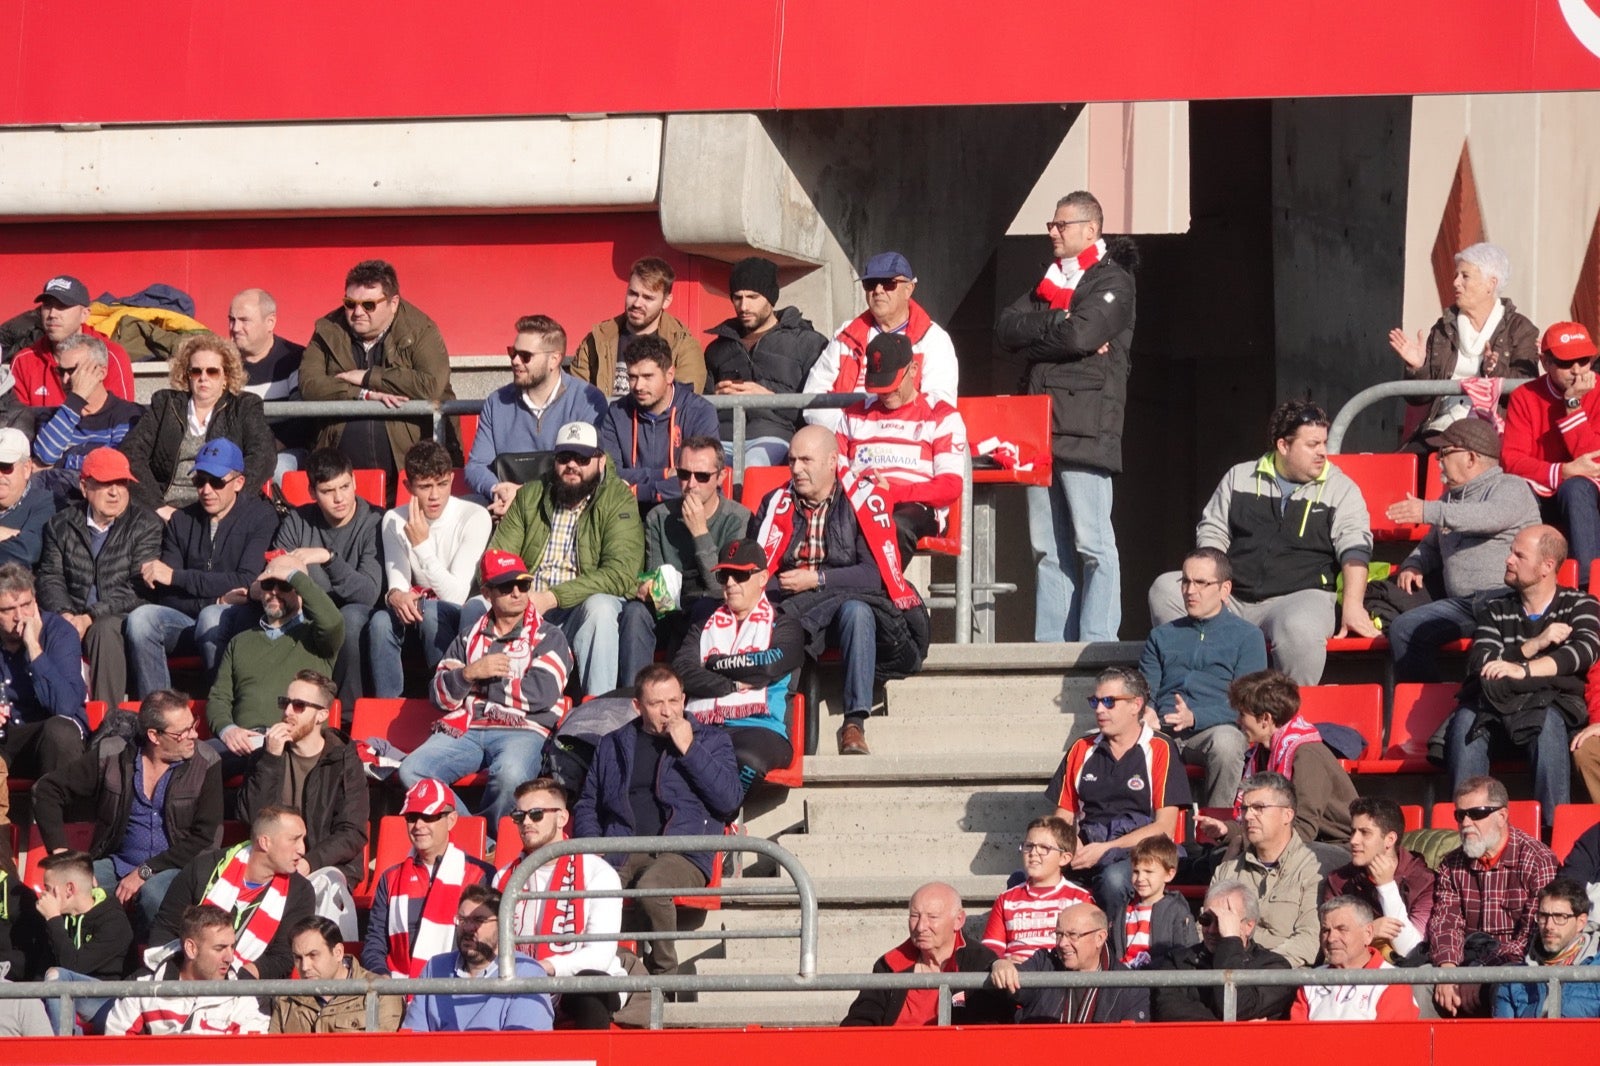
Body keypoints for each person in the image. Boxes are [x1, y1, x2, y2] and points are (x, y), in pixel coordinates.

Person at [1148, 399, 1378, 684]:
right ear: (1283, 446)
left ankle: (1288, 716)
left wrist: (1354, 605)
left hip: (1298, 597)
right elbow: (1213, 533)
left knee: (1298, 627)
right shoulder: (1239, 476)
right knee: (1165, 589)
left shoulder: (1341, 488)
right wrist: (1213, 584)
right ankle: (1196, 688)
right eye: (1312, 445)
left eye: (1324, 443)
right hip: (1233, 596)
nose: (1323, 452)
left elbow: (1355, 549)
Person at [997, 191, 1137, 643]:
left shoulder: (1112, 279)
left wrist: (1049, 338)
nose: (1052, 232)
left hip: (1086, 428)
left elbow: (1082, 334)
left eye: (1061, 224)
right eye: (1051, 225)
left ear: (1090, 230)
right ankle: (1050, 645)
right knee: (1045, 548)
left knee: (1093, 544)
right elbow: (1005, 328)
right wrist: (1059, 322)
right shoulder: (1050, 284)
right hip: (1040, 430)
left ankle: (1097, 641)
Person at [750, 424, 930, 756]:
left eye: (806, 460)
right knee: (777, 619)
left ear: (833, 460)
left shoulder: (863, 502)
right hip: (796, 605)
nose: (796, 469)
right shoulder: (774, 503)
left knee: (857, 612)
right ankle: (772, 722)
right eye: (791, 460)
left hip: (848, 602)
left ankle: (854, 724)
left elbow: (873, 575)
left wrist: (816, 579)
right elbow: (758, 571)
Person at [572, 665, 741, 975]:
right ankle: (602, 971)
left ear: (684, 700)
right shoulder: (613, 744)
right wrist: (591, 849)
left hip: (683, 851)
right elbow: (588, 803)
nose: (668, 712)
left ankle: (664, 974)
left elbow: (729, 801)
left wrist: (690, 749)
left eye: (674, 702)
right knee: (584, 893)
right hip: (620, 847)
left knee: (652, 887)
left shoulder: (711, 740)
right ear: (638, 706)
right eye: (657, 704)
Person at [400, 549, 575, 822]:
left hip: (524, 729)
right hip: (467, 728)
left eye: (524, 584)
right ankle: (474, 835)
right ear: (487, 592)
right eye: (507, 586)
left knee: (511, 776)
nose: (517, 592)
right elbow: (439, 696)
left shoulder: (549, 636)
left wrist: (478, 682)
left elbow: (541, 693)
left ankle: (492, 841)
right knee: (413, 770)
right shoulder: (468, 637)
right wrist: (469, 674)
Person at [1444, 525, 1599, 825]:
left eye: (1519, 555)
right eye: (1510, 552)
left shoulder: (1580, 604)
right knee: (1465, 721)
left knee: (1547, 720)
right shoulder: (1496, 610)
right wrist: (1533, 647)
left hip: (1555, 712)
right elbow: (1481, 663)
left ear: (1546, 566)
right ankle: (1465, 828)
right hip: (1496, 711)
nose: (1508, 560)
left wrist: (1518, 669)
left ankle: (1555, 835)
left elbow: (1582, 653)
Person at [32, 690, 221, 933]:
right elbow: (46, 790)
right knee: (68, 888)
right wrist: (61, 855)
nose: (194, 735)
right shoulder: (112, 756)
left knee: (154, 895)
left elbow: (204, 837)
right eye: (182, 732)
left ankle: (158, 965)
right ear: (154, 735)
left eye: (192, 725)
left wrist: (145, 871)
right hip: (118, 862)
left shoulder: (207, 762)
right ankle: (67, 965)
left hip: (179, 867)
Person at [488, 421, 643, 697]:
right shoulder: (531, 494)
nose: (572, 465)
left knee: (601, 608)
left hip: (577, 609)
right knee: (475, 606)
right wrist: (516, 594)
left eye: (582, 458)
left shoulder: (618, 499)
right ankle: (474, 706)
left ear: (601, 460)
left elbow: (621, 574)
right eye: (564, 458)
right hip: (524, 603)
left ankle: (598, 710)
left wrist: (552, 597)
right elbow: (496, 559)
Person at [1382, 416, 1539, 681]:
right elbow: (1430, 545)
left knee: (1490, 655)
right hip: (1463, 604)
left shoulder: (1512, 487)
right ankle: (1429, 709)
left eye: (1444, 452)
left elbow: (1489, 516)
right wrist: (1414, 564)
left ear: (1471, 458)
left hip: (1506, 599)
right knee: (1404, 629)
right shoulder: (1448, 501)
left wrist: (1428, 510)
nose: (1437, 459)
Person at [124, 438, 276, 696]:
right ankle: (159, 711)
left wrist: (177, 577)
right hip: (188, 618)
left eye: (216, 482)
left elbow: (246, 580)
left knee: (211, 617)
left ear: (238, 482)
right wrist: (214, 598)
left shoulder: (261, 516)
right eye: (199, 481)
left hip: (240, 619)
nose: (206, 489)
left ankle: (222, 707)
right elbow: (167, 595)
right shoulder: (181, 520)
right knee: (141, 619)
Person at [298, 259, 455, 495]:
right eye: (350, 303)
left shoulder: (421, 330)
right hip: (338, 474)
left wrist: (368, 376)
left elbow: (431, 385)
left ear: (393, 303)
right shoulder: (327, 329)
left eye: (369, 305)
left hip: (407, 467)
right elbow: (309, 385)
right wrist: (363, 394)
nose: (357, 312)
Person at [245, 448, 383, 710]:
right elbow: (274, 573)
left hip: (357, 612)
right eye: (328, 491)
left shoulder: (374, 521)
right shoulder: (298, 520)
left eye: (344, 486)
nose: (339, 498)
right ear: (312, 493)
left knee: (349, 618)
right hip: (308, 608)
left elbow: (368, 594)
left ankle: (347, 715)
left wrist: (328, 558)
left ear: (354, 482)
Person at [1049, 667, 1190, 920]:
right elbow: (1062, 817)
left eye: (1109, 702)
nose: (1099, 710)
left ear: (1136, 704)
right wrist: (1073, 842)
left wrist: (1105, 849)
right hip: (1088, 844)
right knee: (1030, 874)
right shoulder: (1081, 748)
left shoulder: (1160, 748)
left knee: (1113, 880)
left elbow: (1165, 828)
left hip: (1142, 850)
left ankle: (1112, 954)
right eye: (1095, 701)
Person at [494, 777, 628, 1029]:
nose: (526, 823)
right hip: (520, 985)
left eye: (535, 814)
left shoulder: (596, 871)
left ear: (562, 818)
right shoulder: (504, 878)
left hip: (578, 987)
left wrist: (542, 968)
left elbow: (599, 956)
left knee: (590, 986)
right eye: (519, 816)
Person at [619, 436, 752, 686]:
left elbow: (721, 588)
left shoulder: (738, 519)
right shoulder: (659, 516)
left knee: (704, 606)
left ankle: (683, 691)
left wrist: (700, 532)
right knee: (635, 612)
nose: (691, 484)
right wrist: (650, 589)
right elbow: (660, 584)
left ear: (721, 477)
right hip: (670, 608)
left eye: (702, 476)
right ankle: (633, 697)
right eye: (683, 474)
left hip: (712, 611)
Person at [1138, 547, 1266, 806]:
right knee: (1100, 736)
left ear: (1225, 589)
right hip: (1161, 730)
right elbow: (1144, 688)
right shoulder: (1162, 636)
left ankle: (1216, 836)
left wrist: (1195, 717)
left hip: (1212, 731)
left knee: (1228, 743)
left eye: (1201, 583)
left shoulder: (1248, 637)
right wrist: (1146, 710)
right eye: (1185, 581)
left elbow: (1249, 704)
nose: (1190, 590)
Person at [674, 539, 803, 792]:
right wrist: (731, 684)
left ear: (763, 577)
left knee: (744, 762)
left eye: (740, 574)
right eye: (724, 575)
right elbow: (681, 674)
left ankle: (726, 816)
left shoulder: (785, 625)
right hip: (703, 724)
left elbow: (768, 665)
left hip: (761, 727)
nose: (730, 583)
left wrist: (713, 663)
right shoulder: (702, 626)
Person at [1193, 669, 1357, 869]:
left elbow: (1303, 829)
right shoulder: (1261, 754)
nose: (1238, 722)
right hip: (1290, 841)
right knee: (1208, 859)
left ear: (1265, 719)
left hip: (1333, 847)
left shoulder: (1306, 755)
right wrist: (1227, 830)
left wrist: (1242, 842)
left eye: (1242, 715)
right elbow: (1261, 818)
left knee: (1236, 861)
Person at [37, 447, 163, 703]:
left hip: (121, 615)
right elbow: (50, 577)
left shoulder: (146, 524)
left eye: (121, 483)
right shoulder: (59, 525)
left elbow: (138, 588)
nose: (115, 492)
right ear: (84, 487)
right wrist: (65, 614)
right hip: (71, 614)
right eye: (106, 484)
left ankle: (110, 725)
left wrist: (89, 616)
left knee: (102, 630)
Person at [369, 440, 492, 697]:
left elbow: (456, 595)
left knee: (432, 612)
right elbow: (398, 581)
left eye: (442, 484)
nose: (435, 495)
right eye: (425, 487)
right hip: (418, 608)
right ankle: (386, 706)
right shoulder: (394, 519)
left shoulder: (474, 516)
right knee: (380, 622)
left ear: (451, 479)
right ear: (408, 487)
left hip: (458, 612)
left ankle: (447, 693)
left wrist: (422, 545)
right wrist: (396, 595)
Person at [1389, 242, 1539, 451]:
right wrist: (1418, 368)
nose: (1455, 283)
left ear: (1491, 284)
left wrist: (1496, 372)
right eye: (1456, 276)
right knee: (1404, 463)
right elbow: (1417, 398)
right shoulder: (1443, 327)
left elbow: (1527, 387)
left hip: (1492, 431)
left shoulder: (1521, 329)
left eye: (1465, 276)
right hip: (1440, 428)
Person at [1429, 775, 1558, 1016]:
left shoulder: (1537, 860)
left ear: (1502, 816)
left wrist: (1482, 973)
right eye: (1460, 815)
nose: (1466, 822)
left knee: (1507, 988)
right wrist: (1446, 970)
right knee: (1419, 989)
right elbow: (1446, 922)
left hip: (1512, 966)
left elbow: (1531, 938)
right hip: (1461, 963)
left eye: (1476, 813)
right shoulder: (1451, 863)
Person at [206, 553, 346, 775]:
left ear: (302, 590)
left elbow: (332, 621)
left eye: (285, 584)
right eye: (268, 584)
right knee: (189, 761)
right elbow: (218, 698)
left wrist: (293, 575)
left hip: (296, 743)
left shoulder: (318, 639)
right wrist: (228, 730)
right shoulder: (240, 642)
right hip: (244, 744)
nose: (274, 591)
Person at [836, 332, 969, 562]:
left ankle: (874, 593)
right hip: (857, 500)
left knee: (895, 526)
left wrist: (892, 493)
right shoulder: (854, 413)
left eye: (892, 384)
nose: (885, 393)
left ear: (914, 370)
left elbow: (950, 486)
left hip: (913, 507)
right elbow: (834, 466)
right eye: (879, 385)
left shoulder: (941, 415)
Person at [149, 805, 316, 980]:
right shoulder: (205, 869)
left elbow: (282, 957)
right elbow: (166, 928)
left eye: (303, 840)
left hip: (247, 990)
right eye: (294, 839)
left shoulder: (301, 892)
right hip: (185, 977)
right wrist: (176, 977)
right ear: (265, 842)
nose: (302, 850)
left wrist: (233, 982)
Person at [118, 333, 275, 518]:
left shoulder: (244, 406)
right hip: (165, 507)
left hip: (220, 506)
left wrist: (231, 502)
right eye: (196, 371)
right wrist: (157, 506)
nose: (203, 377)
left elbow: (264, 455)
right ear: (187, 376)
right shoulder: (165, 404)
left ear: (226, 376)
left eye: (212, 371)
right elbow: (131, 452)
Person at [237, 671, 369, 886]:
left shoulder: (344, 761)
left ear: (321, 715)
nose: (288, 711)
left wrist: (309, 862)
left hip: (327, 868)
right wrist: (270, 761)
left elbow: (352, 832)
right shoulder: (266, 757)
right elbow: (253, 820)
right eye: (285, 702)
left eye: (299, 705)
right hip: (272, 864)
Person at [804, 251, 958, 433]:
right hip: (845, 437)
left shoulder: (933, 338)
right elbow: (813, 397)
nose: (877, 290)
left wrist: (883, 429)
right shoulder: (846, 335)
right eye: (870, 283)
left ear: (908, 289)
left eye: (888, 283)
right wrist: (849, 429)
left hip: (905, 441)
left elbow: (939, 402)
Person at [467, 314, 606, 517]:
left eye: (525, 356)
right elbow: (476, 465)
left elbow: (590, 470)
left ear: (554, 359)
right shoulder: (497, 402)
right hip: (507, 511)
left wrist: (524, 494)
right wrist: (498, 490)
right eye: (512, 352)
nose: (515, 361)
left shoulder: (587, 400)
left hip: (567, 510)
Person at [361, 778, 496, 978]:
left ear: (451, 820)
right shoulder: (390, 878)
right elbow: (374, 943)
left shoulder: (480, 874)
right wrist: (381, 975)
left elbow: (489, 944)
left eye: (429, 816)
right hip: (396, 988)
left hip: (460, 986)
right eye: (412, 817)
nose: (418, 825)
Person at [702, 256, 829, 467]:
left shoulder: (806, 342)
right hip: (721, 437)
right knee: (698, 466)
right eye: (737, 297)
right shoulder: (717, 348)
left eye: (753, 296)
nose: (744, 306)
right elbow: (700, 405)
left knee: (755, 464)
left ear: (771, 298)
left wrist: (770, 397)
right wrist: (716, 398)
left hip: (774, 435)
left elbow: (820, 409)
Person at [1501, 322, 1600, 573]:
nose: (1577, 371)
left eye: (1584, 360)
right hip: (1542, 487)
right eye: (1566, 363)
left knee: (1576, 488)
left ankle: (1589, 586)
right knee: (1514, 492)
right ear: (1545, 362)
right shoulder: (1525, 395)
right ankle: (1518, 580)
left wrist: (1572, 404)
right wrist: (1562, 471)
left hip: (1587, 492)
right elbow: (1512, 460)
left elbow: (1594, 461)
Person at [842, 882, 1008, 1026]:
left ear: (958, 920)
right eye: (914, 916)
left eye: (932, 917)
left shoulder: (980, 963)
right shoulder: (889, 965)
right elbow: (859, 1021)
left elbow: (989, 1030)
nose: (921, 926)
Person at [401, 884, 555, 1032]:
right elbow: (413, 1038)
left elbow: (522, 1049)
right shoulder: (435, 968)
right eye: (462, 920)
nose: (468, 928)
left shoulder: (527, 972)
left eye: (479, 920)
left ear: (503, 924)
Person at [1207, 772, 1322, 967]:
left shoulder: (1314, 870)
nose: (1248, 816)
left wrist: (1259, 968)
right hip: (1229, 975)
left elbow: (1309, 941)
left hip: (1283, 982)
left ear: (1287, 814)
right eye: (1245, 809)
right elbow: (1205, 929)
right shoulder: (1226, 872)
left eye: (1259, 808)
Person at [102, 904, 269, 1036]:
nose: (230, 957)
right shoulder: (144, 988)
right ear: (191, 949)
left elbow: (250, 1057)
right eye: (220, 948)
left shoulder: (244, 997)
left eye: (232, 947)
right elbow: (117, 1045)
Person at [599, 333, 719, 510]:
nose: (638, 386)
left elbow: (698, 483)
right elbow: (608, 474)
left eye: (648, 376)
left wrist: (637, 491)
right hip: (629, 512)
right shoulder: (616, 413)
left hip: (682, 511)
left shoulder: (699, 412)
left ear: (670, 374)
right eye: (632, 377)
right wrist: (664, 474)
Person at [1151, 879, 1294, 1022]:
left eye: (1222, 921)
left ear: (1248, 926)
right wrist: (1233, 1027)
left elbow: (1239, 1008)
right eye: (1206, 920)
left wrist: (1230, 940)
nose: (1212, 930)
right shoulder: (1178, 962)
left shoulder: (1274, 969)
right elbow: (1169, 1010)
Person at [989, 902, 1151, 1024]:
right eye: (1059, 934)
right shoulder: (1044, 963)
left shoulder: (1130, 987)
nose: (1062, 943)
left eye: (1072, 935)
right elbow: (1013, 985)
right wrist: (1000, 965)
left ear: (1100, 938)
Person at [572, 256, 707, 398]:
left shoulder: (682, 344)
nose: (637, 303)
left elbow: (683, 401)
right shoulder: (598, 338)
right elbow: (577, 398)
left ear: (666, 301)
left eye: (648, 298)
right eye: (633, 293)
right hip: (603, 420)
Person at [31, 332, 144, 501]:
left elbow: (114, 468)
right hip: (57, 506)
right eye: (60, 371)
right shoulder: (52, 417)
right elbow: (45, 455)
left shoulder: (128, 415)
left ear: (101, 372)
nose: (65, 379)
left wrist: (61, 462)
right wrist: (75, 402)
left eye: (73, 370)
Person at [0, 562, 88, 779]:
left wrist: (34, 647)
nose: (20, 616)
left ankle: (52, 813)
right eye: (8, 610)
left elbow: (65, 706)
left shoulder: (60, 633)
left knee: (59, 732)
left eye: (26, 605)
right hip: (6, 738)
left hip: (49, 734)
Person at [1322, 797, 1434, 962]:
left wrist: (1387, 887)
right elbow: (1331, 945)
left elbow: (1411, 951)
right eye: (1353, 831)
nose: (1353, 841)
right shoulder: (1339, 881)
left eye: (1365, 833)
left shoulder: (1424, 881)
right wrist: (1368, 932)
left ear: (1390, 839)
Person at [36, 851, 135, 1034]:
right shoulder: (59, 919)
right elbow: (40, 967)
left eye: (48, 888)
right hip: (67, 996)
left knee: (57, 976)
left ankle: (64, 1053)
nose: (44, 895)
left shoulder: (113, 921)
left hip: (108, 1000)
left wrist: (53, 919)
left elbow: (75, 966)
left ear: (69, 890)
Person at [11, 274, 136, 406]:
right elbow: (16, 422)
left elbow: (123, 419)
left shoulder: (111, 355)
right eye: (47, 306)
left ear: (84, 314)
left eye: (62, 306)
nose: (52, 314)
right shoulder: (24, 360)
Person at [981, 816, 1093, 962]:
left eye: (1044, 848)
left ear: (1064, 858)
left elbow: (1086, 951)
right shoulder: (1006, 899)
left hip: (1057, 975)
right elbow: (991, 948)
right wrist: (1001, 963)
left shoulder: (1080, 899)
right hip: (1014, 976)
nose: (1033, 852)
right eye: (1029, 846)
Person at [1290, 897, 1421, 1021]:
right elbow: (1297, 1038)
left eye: (1342, 929)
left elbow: (1391, 1041)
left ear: (1368, 934)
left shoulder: (1393, 983)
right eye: (1325, 930)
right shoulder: (1311, 982)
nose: (1331, 938)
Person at [271, 915, 403, 1034]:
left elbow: (385, 1054)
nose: (305, 967)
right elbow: (272, 1056)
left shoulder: (382, 994)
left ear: (338, 952)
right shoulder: (285, 1001)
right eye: (298, 958)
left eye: (313, 955)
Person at [228, 288, 309, 478]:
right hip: (237, 451)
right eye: (231, 319)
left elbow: (302, 422)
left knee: (278, 470)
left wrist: (262, 453)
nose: (235, 327)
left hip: (285, 450)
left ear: (270, 322)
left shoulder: (296, 358)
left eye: (244, 320)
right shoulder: (221, 362)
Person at [1494, 877, 1600, 1018]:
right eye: (1543, 916)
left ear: (1581, 922)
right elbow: (1504, 1038)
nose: (1549, 925)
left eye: (1560, 917)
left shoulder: (1596, 971)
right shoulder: (1512, 981)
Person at [1116, 834, 1196, 968]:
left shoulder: (1176, 911)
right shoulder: (1123, 911)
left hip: (1159, 983)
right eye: (1136, 871)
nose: (1140, 878)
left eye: (1148, 872)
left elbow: (1185, 954)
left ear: (1169, 874)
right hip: (1125, 982)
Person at [0, 427, 55, 568]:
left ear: (27, 468)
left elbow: (28, 552)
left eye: (5, 467)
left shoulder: (45, 502)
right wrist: (12, 535)